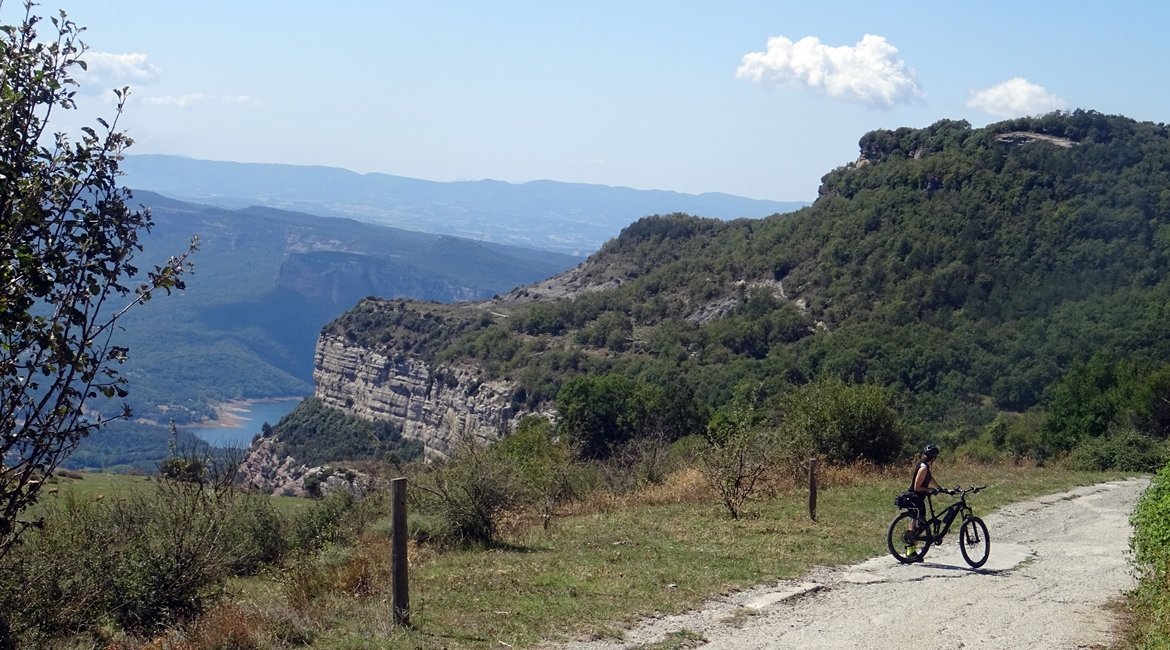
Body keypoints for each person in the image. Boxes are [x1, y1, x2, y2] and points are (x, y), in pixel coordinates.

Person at [904, 444, 942, 561]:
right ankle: (911, 552)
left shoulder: (924, 466)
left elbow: (929, 478)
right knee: (918, 526)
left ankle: (911, 551)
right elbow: (917, 487)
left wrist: (939, 487)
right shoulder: (924, 468)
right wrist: (930, 489)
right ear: (933, 458)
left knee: (916, 523)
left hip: (916, 498)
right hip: (916, 498)